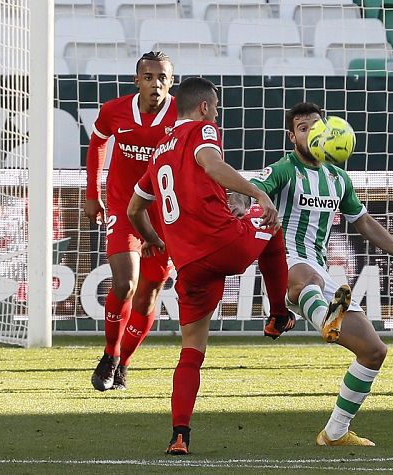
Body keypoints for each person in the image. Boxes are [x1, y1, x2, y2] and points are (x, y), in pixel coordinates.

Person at [250, 102, 393, 447]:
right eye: (303, 127)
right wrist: (244, 201)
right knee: (306, 278)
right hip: (285, 263)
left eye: (317, 126)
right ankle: (325, 320)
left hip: (321, 272)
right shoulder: (284, 169)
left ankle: (335, 432)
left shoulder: (338, 179)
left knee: (374, 351)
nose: (312, 132)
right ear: (291, 136)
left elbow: (366, 224)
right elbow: (250, 185)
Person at [127, 77, 294, 455]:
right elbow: (210, 162)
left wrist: (153, 240)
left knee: (192, 350)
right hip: (224, 245)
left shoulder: (159, 152)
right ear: (204, 107)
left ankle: (179, 435)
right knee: (272, 224)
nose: (216, 114)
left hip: (190, 266)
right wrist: (257, 193)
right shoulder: (202, 131)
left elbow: (134, 209)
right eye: (215, 108)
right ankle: (280, 314)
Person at [84, 51, 179, 391]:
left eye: (163, 78)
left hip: (164, 215)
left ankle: (123, 363)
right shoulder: (114, 111)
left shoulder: (181, 115)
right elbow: (97, 142)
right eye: (149, 77)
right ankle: (110, 354)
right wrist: (92, 193)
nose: (156, 84)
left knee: (148, 295)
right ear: (137, 80)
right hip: (125, 209)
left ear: (172, 82)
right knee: (124, 283)